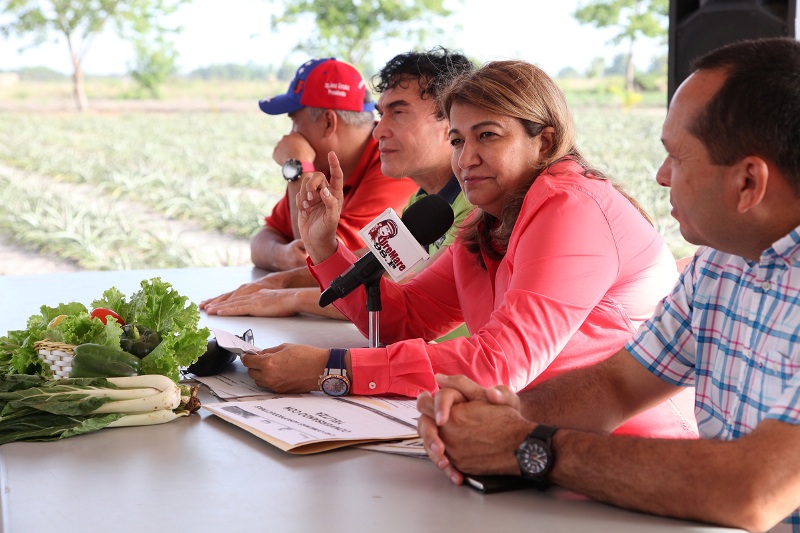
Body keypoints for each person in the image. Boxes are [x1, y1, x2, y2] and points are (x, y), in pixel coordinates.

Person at [417, 37, 800, 533]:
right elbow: (617, 385)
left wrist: (527, 445)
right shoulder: (721, 265)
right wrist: (501, 412)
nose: (662, 177)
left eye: (677, 158)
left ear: (749, 183)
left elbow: (751, 491)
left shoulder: (573, 203)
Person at [242, 59, 697, 440]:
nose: (467, 157)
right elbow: (406, 319)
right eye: (458, 140)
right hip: (529, 438)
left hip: (621, 458)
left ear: (545, 140)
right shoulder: (487, 221)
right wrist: (324, 246)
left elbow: (499, 364)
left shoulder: (569, 207)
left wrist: (332, 368)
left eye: (488, 136)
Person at [201, 48, 475, 324]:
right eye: (382, 114)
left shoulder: (474, 208)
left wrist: (289, 297)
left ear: (452, 120)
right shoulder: (424, 201)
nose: (378, 130)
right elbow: (374, 263)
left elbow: (407, 302)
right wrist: (279, 282)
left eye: (399, 112)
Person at [245, 57, 418, 272]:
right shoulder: (324, 165)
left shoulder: (393, 162)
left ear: (328, 122)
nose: (290, 135)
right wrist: (285, 256)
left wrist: (297, 166)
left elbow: (323, 260)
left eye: (294, 120)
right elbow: (264, 238)